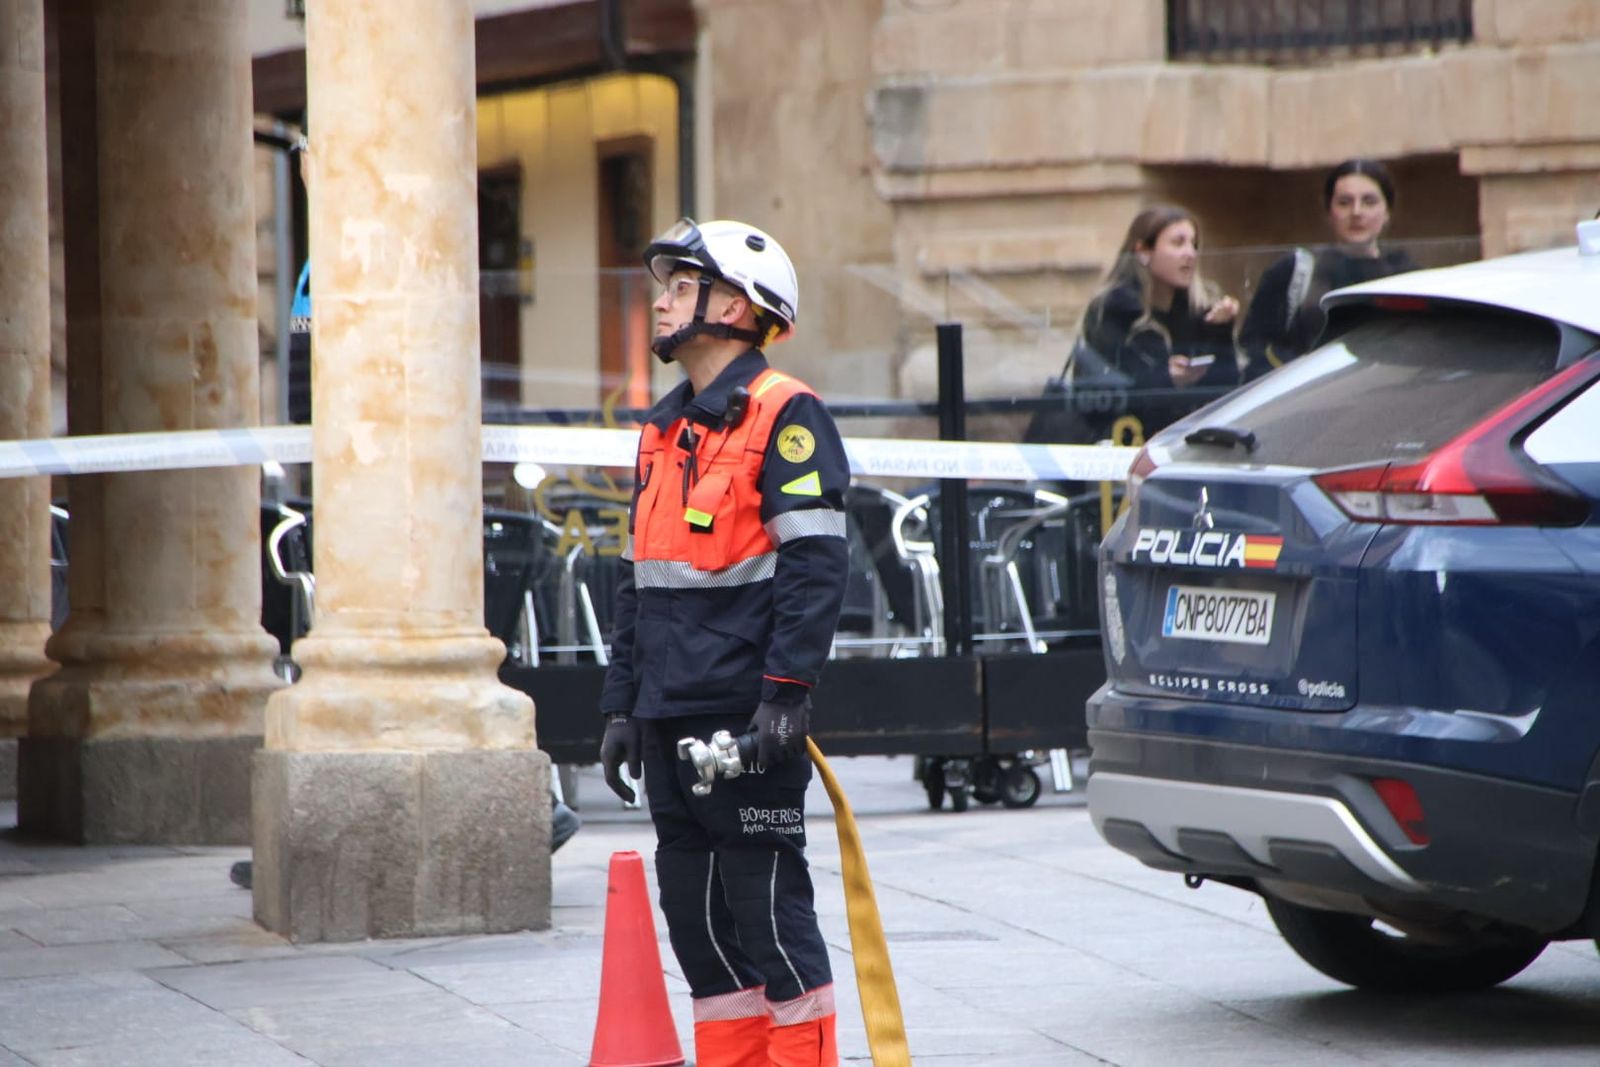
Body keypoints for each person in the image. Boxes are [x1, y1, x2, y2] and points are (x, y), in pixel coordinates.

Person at [598, 218, 849, 1066]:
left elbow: (815, 566)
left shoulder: (787, 414)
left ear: (737, 306)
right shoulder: (662, 431)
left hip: (744, 726)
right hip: (670, 720)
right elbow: (638, 577)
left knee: (770, 924)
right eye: (662, 285)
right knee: (702, 936)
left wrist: (787, 692)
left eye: (680, 285)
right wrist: (621, 706)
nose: (661, 301)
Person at [1240, 158, 1418, 380]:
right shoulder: (1295, 270)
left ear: (1387, 211)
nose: (1356, 212)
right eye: (1344, 202)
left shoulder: (1409, 277)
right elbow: (1256, 351)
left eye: (1369, 201)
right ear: (1329, 211)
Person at [1072, 204, 1241, 437]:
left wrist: (1219, 331)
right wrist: (1168, 378)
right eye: (1178, 243)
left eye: (1194, 244)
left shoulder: (1197, 309)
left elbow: (1225, 392)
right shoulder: (1115, 309)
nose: (1190, 254)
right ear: (1143, 252)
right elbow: (1126, 390)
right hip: (1119, 442)